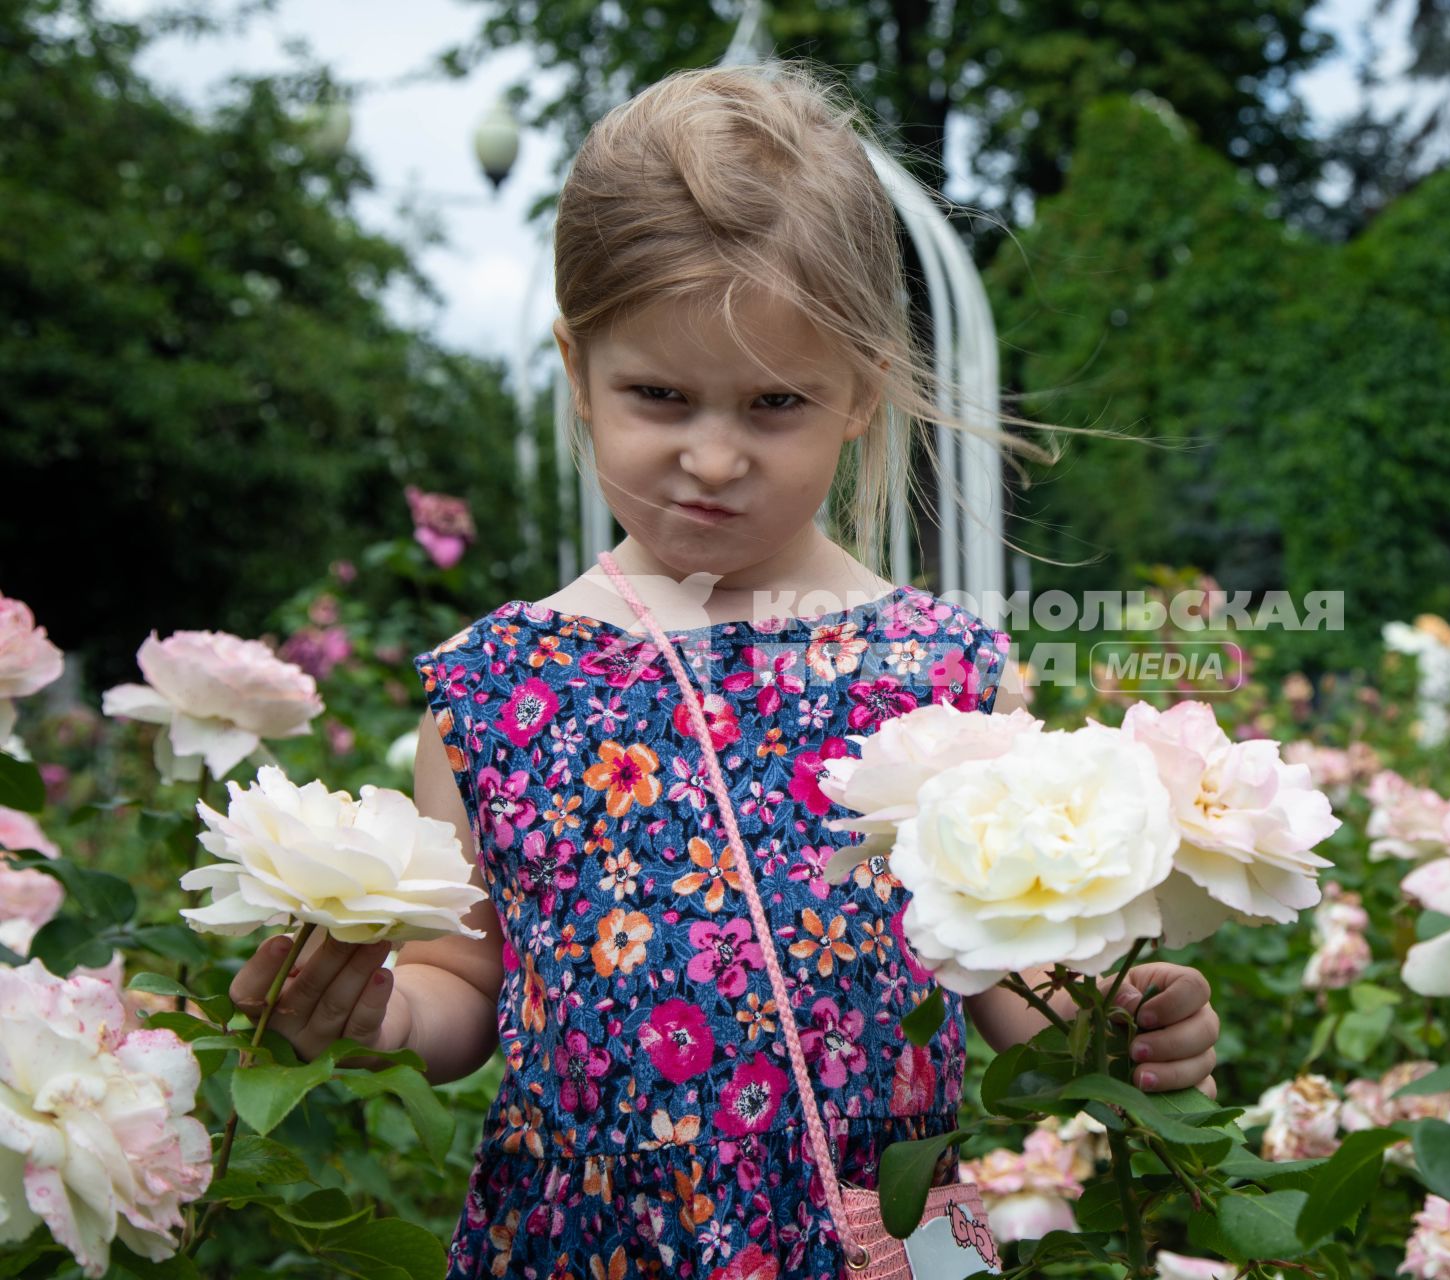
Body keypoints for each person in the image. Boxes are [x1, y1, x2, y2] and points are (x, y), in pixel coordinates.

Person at [228, 59, 1222, 1277]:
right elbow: (460, 980)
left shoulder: (943, 678)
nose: (710, 454)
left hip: (873, 1238)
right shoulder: (495, 686)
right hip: (587, 1241)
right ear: (577, 372)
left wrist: (1118, 1018)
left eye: (772, 403)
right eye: (658, 394)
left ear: (859, 388)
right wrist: (375, 1013)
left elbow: (1011, 970)